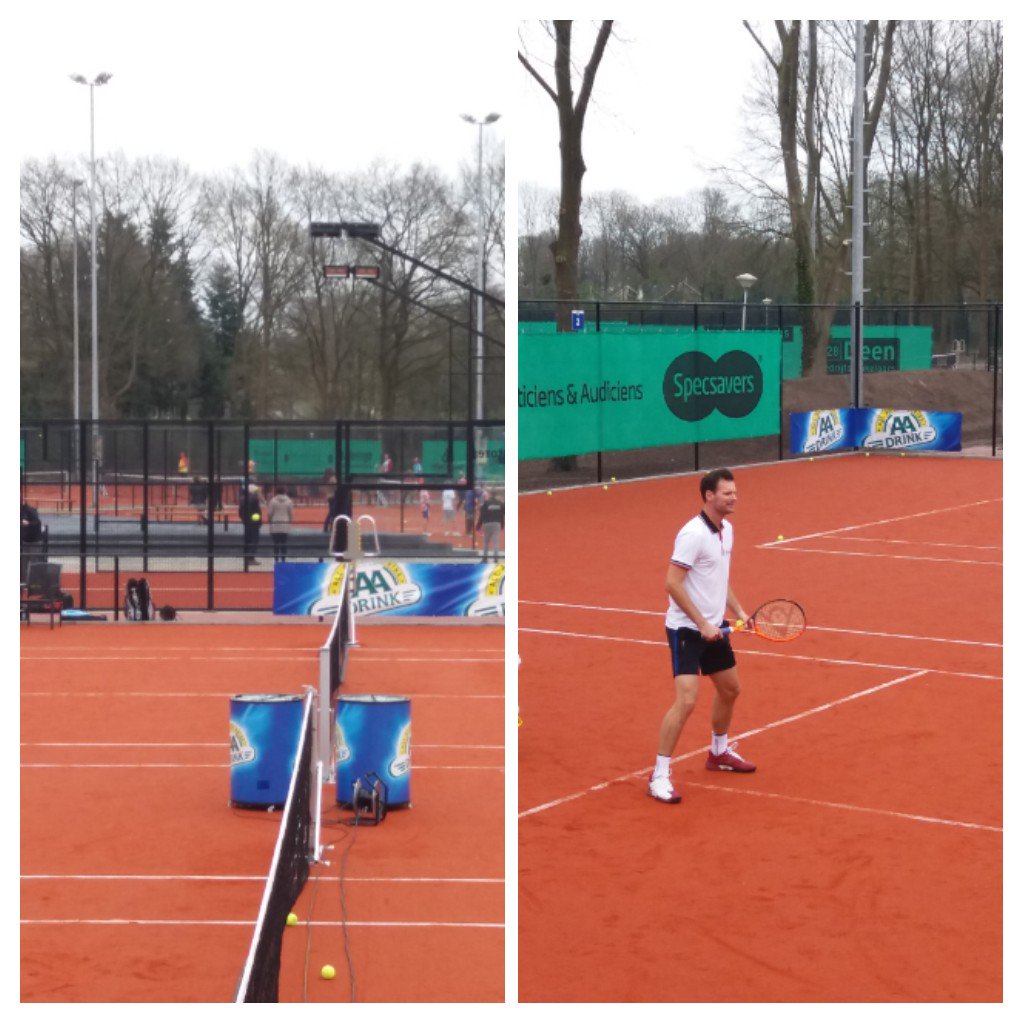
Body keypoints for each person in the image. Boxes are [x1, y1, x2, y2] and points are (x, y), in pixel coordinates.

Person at [649, 468, 755, 805]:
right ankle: (659, 774)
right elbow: (672, 583)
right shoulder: (692, 534)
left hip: (714, 625)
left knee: (730, 688)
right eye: (727, 493)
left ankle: (718, 752)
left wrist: (738, 611)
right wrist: (702, 624)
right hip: (686, 629)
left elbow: (720, 579)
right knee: (687, 700)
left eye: (734, 492)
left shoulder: (727, 531)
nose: (733, 497)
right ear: (709, 495)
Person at [267, 487, 294, 563]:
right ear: (284, 491)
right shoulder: (289, 501)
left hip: (275, 523)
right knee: (284, 543)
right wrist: (290, 521)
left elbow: (270, 513)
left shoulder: (273, 501)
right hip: (285, 523)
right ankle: (283, 559)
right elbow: (291, 514)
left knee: (276, 543)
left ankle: (276, 559)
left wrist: (269, 520)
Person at [476, 488, 504, 562]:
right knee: (496, 543)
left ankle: (485, 558)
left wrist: (478, 525)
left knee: (486, 542)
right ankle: (496, 559)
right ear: (496, 494)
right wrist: (502, 525)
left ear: (490, 494)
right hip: (496, 524)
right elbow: (502, 514)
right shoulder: (500, 503)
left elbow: (482, 515)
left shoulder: (486, 503)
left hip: (487, 523)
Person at [238, 483, 263, 566]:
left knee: (248, 539)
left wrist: (243, 519)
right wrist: (259, 521)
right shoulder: (255, 499)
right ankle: (251, 558)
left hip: (246, 522)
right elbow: (257, 511)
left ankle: (247, 557)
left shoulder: (242, 498)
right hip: (254, 522)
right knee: (254, 540)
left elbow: (240, 512)